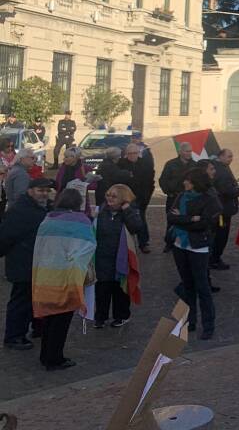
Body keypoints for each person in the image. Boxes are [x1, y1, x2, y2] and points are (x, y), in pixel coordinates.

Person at [31, 188, 95, 371]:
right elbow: (88, 246)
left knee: (50, 317)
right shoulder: (81, 221)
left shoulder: (48, 219)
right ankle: (55, 358)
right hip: (67, 275)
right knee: (62, 318)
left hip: (46, 273)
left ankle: (45, 355)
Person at [168, 166, 221, 339]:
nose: (184, 183)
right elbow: (171, 217)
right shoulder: (181, 196)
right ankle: (189, 321)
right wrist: (191, 218)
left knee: (202, 287)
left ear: (196, 182)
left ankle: (208, 325)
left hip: (198, 247)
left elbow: (204, 224)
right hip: (180, 245)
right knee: (187, 285)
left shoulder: (209, 200)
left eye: (188, 180)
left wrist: (183, 220)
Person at [0, 177, 51, 350]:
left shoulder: (41, 208)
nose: (44, 194)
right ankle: (14, 336)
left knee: (31, 299)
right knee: (21, 301)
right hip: (23, 263)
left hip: (34, 263)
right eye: (40, 190)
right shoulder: (21, 210)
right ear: (30, 190)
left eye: (46, 191)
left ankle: (35, 328)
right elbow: (5, 236)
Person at [93, 184, 143, 329]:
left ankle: (121, 315)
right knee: (102, 289)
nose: (109, 198)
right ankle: (100, 316)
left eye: (114, 196)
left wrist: (127, 210)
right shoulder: (101, 211)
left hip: (121, 257)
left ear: (123, 198)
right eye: (108, 195)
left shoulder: (130, 212)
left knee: (120, 289)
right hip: (102, 256)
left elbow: (136, 227)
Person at [210, 149, 239, 270]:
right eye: (229, 156)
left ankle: (214, 258)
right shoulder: (221, 170)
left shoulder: (220, 167)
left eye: (232, 156)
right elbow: (226, 190)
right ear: (221, 156)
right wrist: (238, 191)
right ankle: (215, 259)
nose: (231, 159)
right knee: (221, 236)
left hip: (221, 208)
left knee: (219, 235)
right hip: (222, 211)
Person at [120, 143, 155, 252]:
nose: (132, 155)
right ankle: (126, 244)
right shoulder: (121, 165)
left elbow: (150, 182)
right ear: (126, 154)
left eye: (134, 153)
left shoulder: (145, 164)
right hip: (126, 198)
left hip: (141, 197)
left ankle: (143, 243)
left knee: (141, 220)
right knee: (124, 220)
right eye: (129, 153)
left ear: (138, 153)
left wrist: (146, 196)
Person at [159, 142, 193, 252]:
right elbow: (163, 180)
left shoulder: (195, 165)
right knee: (172, 220)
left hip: (189, 199)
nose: (189, 153)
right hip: (174, 198)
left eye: (190, 151)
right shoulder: (170, 164)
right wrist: (168, 191)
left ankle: (185, 241)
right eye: (187, 151)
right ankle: (169, 243)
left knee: (187, 220)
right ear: (180, 152)